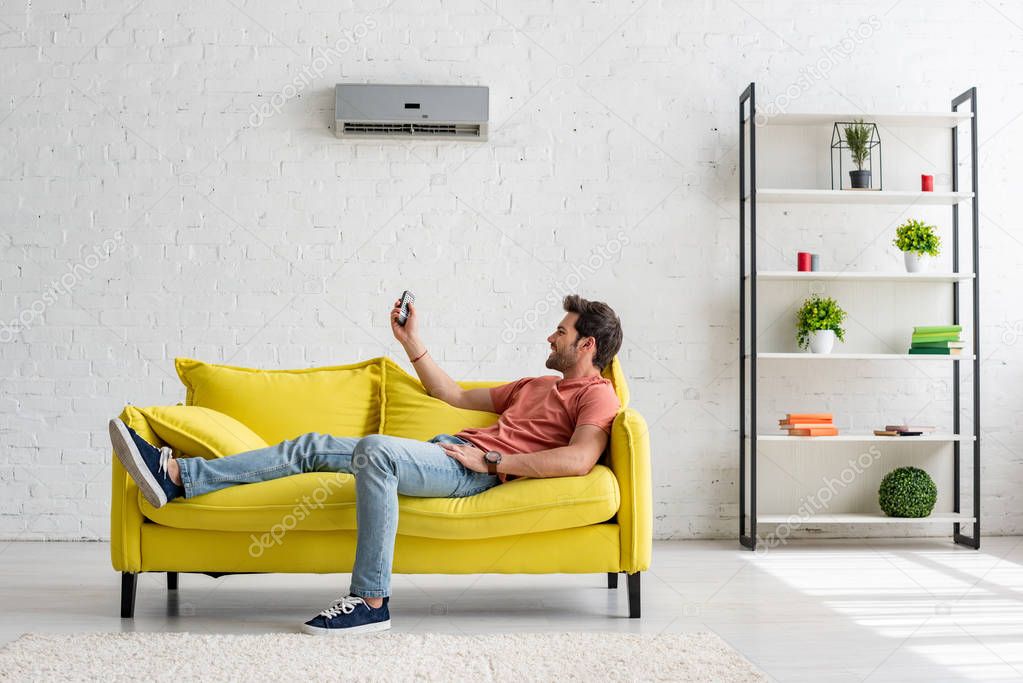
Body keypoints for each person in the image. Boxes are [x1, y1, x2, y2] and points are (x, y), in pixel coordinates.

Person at [108, 294, 623, 635]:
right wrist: (411, 341)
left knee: (375, 449)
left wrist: (492, 462)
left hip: (470, 471)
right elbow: (451, 392)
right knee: (311, 446)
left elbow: (579, 458)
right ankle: (178, 477)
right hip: (449, 450)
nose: (550, 338)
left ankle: (371, 603)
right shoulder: (534, 386)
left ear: (587, 344)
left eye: (560, 331)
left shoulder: (597, 396)